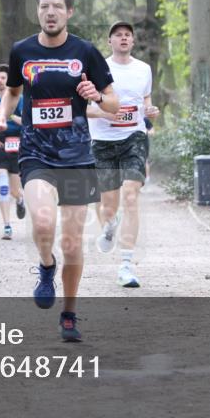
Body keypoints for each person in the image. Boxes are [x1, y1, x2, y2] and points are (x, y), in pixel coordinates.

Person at [0, 0, 118, 342]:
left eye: (57, 6)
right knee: (44, 222)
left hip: (76, 156)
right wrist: (1, 119)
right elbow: (12, 91)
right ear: (38, 11)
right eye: (44, 6)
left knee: (73, 242)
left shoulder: (86, 52)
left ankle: (70, 314)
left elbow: (114, 104)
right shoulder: (22, 51)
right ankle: (46, 265)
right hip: (36, 154)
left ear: (69, 12)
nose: (50, 12)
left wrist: (96, 96)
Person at [88, 21, 159, 288]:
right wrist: (107, 112)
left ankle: (126, 265)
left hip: (134, 138)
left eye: (128, 35)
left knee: (130, 195)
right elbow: (82, 108)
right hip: (103, 141)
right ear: (110, 42)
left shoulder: (144, 69)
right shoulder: (97, 69)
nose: (124, 38)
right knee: (108, 206)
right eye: (118, 35)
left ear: (133, 40)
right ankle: (109, 225)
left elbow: (146, 101)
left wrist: (150, 110)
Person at [0, 64, 27, 239]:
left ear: (8, 80)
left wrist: (7, 115)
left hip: (16, 143)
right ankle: (7, 226)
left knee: (15, 190)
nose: (0, 81)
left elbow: (25, 121)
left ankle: (20, 200)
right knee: (3, 185)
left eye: (3, 77)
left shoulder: (19, 98)